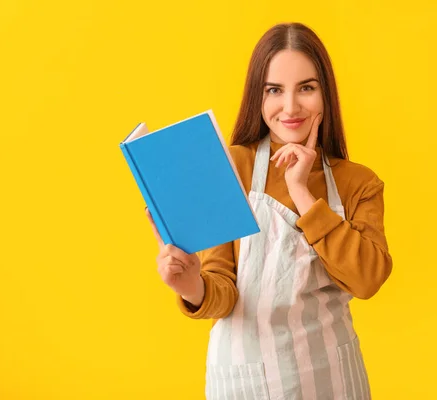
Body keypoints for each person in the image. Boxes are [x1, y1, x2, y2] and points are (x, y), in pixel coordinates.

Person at [145, 22, 392, 400]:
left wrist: (302, 191)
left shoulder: (359, 183)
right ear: (257, 98)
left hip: (331, 379)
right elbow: (223, 292)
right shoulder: (232, 168)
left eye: (306, 88)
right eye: (274, 90)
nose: (290, 107)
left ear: (325, 94)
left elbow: (367, 279)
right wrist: (190, 285)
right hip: (246, 383)